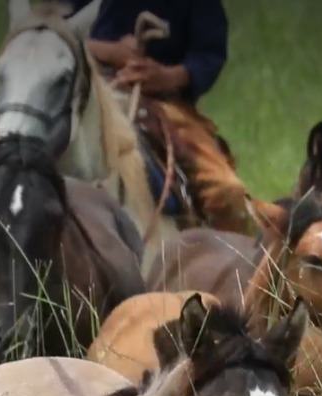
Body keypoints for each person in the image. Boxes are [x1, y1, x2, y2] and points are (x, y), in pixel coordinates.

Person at [66, 0, 251, 233]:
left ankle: (235, 264)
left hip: (166, 103)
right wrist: (109, 52)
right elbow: (53, 32)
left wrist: (169, 76)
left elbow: (208, 53)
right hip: (93, 95)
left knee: (225, 192)